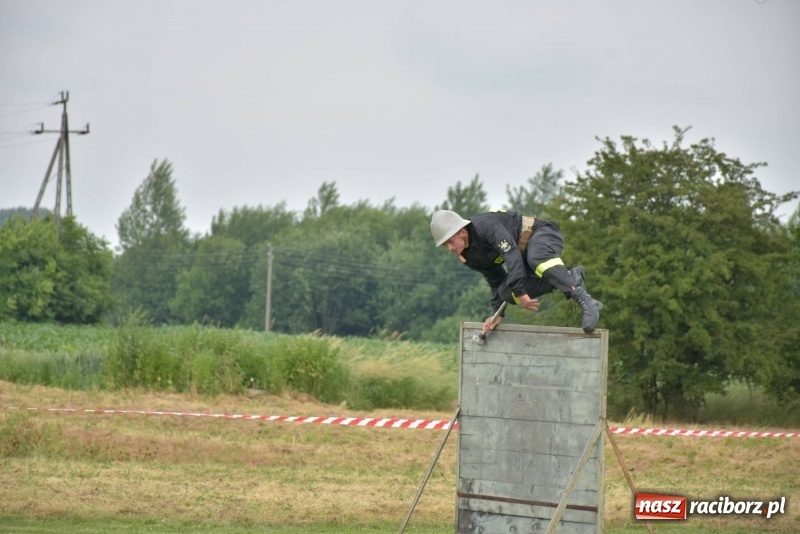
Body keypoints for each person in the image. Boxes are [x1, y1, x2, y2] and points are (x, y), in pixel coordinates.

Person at [430, 209, 602, 334]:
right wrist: (497, 314)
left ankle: (585, 300)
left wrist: (520, 291)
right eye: (445, 245)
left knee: (536, 259)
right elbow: (495, 280)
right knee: (506, 292)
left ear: (462, 232)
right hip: (523, 256)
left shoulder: (484, 225)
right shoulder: (469, 257)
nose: (450, 248)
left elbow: (511, 252)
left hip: (541, 234)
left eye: (451, 241)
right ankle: (571, 278)